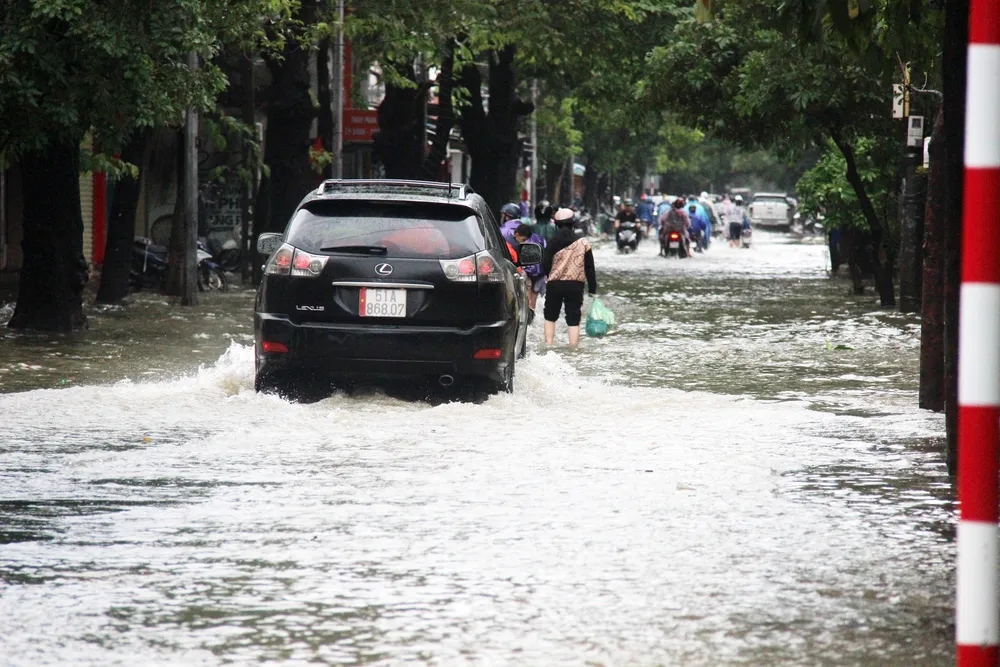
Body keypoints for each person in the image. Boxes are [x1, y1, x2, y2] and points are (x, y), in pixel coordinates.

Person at [542, 208, 597, 347]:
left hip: (555, 285)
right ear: (573, 223)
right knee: (573, 318)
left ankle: (548, 345)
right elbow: (590, 268)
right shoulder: (583, 243)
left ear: (557, 225)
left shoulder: (552, 242)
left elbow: (545, 265)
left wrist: (549, 275)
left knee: (550, 316)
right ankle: (573, 348)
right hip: (575, 285)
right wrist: (592, 289)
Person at [514, 223, 546, 323]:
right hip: (540, 272)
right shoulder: (540, 239)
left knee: (528, 297)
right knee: (533, 298)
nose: (523, 241)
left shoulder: (516, 242)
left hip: (529, 272)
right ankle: (531, 319)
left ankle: (528, 320)